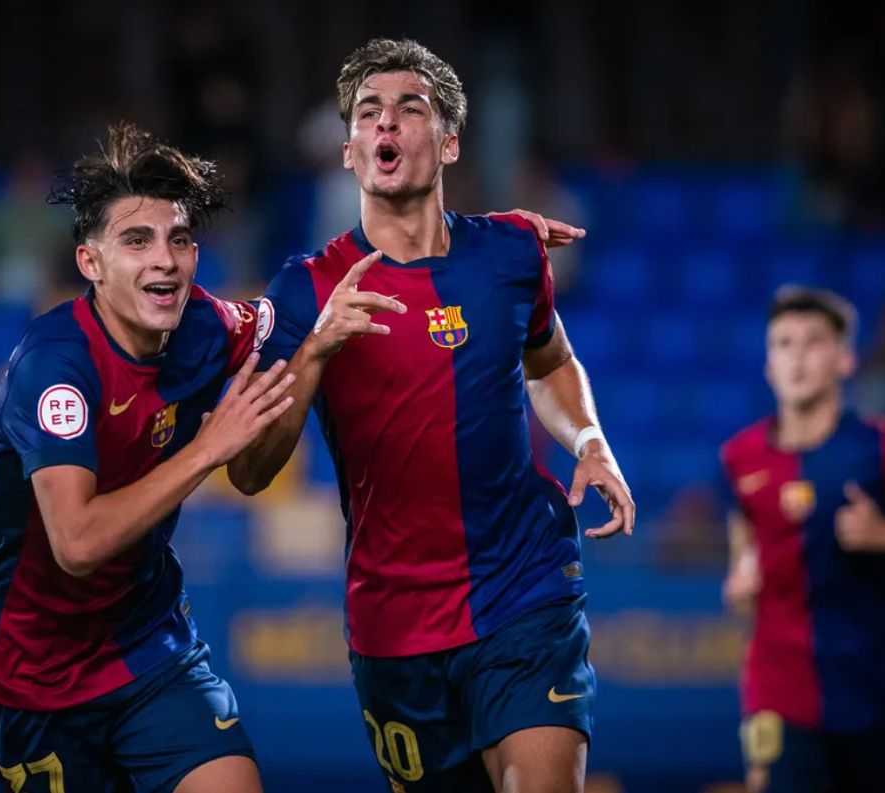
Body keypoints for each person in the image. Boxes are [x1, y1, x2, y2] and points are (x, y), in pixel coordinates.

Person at [229, 38, 635, 792]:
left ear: (447, 143)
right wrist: (314, 351)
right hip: (394, 624)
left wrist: (590, 440)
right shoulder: (303, 290)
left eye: (408, 109)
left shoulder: (511, 253)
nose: (385, 122)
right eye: (368, 113)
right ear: (349, 151)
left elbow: (550, 360)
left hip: (524, 590)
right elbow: (251, 473)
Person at [0, 123, 293, 793]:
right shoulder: (54, 369)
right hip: (32, 677)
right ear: (91, 262)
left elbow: (292, 313)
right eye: (136, 241)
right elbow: (76, 542)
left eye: (179, 240)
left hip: (150, 649)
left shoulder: (205, 324)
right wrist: (207, 450)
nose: (164, 260)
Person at [719, 286, 885, 793]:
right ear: (768, 365)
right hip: (780, 690)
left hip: (875, 692)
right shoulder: (739, 458)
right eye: (783, 344)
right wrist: (739, 582)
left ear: (845, 360)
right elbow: (743, 559)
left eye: (813, 342)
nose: (797, 357)